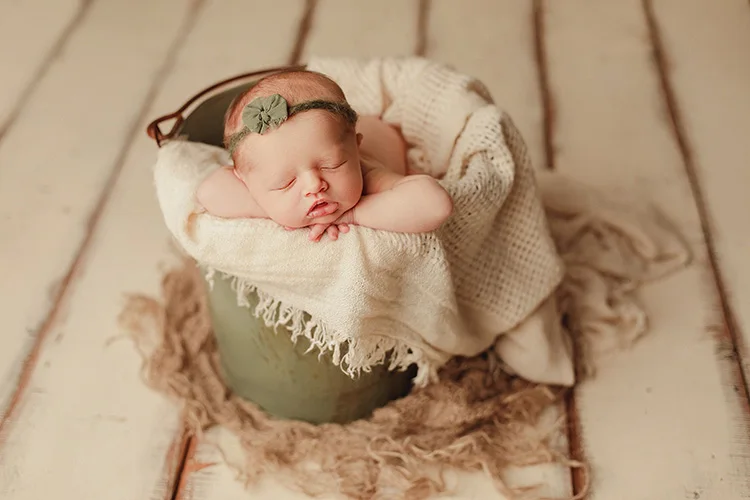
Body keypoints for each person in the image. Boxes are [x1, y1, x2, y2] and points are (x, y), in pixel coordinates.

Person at [196, 69, 453, 242]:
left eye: (332, 165)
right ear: (245, 182)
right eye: (286, 182)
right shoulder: (259, 177)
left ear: (355, 147)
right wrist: (275, 210)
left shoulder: (368, 174)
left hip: (385, 132)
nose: (314, 185)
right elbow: (209, 191)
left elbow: (435, 204)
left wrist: (353, 214)